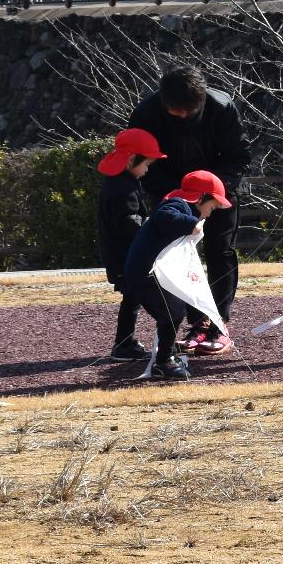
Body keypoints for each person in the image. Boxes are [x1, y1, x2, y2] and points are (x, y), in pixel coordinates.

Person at [128, 67, 251, 354]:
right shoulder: (146, 113)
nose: (183, 116)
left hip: (217, 191)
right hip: (172, 195)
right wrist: (178, 195)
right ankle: (196, 323)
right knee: (179, 256)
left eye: (189, 111)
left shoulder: (222, 107)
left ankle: (218, 322)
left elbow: (239, 157)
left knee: (220, 251)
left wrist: (212, 192)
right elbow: (143, 162)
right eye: (175, 112)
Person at [120, 171, 232, 381]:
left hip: (148, 275)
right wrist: (192, 224)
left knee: (173, 312)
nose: (209, 213)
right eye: (212, 207)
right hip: (145, 275)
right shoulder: (177, 205)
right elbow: (164, 216)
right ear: (201, 197)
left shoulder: (180, 206)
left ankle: (166, 357)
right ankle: (163, 362)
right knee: (172, 313)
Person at [96, 127, 166, 361]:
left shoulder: (120, 182)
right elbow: (127, 221)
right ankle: (126, 344)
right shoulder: (122, 188)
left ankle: (124, 343)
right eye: (146, 164)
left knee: (132, 299)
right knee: (136, 297)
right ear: (131, 160)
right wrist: (153, 225)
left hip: (122, 253)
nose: (147, 170)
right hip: (125, 254)